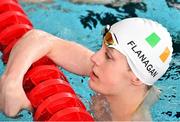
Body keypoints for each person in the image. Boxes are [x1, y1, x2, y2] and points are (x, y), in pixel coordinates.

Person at [0, 17, 173, 121]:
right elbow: (40, 38)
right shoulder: (108, 74)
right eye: (102, 49)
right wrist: (11, 82)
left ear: (136, 77)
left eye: (108, 56)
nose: (94, 57)